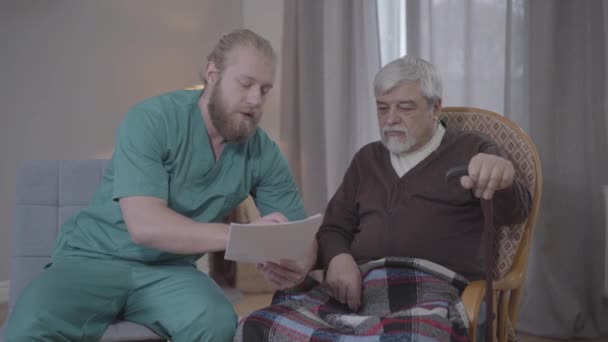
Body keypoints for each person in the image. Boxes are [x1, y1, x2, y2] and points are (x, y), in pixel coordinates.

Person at [5, 29, 316, 342]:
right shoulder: (152, 120)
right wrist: (243, 237)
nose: (255, 100)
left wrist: (297, 264)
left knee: (216, 320)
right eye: (245, 84)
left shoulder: (262, 151)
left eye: (264, 90)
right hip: (91, 259)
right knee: (28, 324)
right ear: (212, 74)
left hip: (170, 271)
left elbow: (299, 235)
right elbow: (145, 225)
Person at [234, 55, 531, 341]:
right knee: (257, 325)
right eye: (382, 108)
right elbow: (334, 227)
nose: (391, 119)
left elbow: (515, 212)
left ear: (435, 108)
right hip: (357, 291)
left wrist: (502, 178)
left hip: (433, 292)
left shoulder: (473, 149)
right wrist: (338, 258)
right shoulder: (368, 159)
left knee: (414, 338)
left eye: (405, 108)